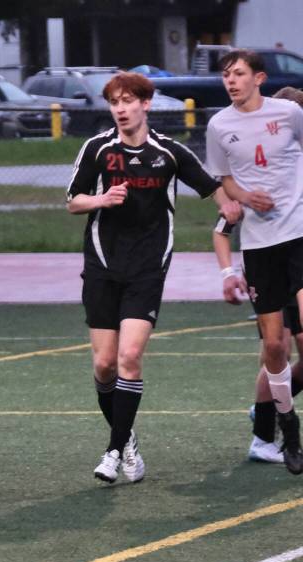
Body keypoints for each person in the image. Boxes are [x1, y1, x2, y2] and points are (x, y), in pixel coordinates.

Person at [67, 72, 238, 484]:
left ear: (146, 103)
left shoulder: (169, 153)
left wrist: (230, 211)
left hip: (148, 267)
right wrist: (102, 199)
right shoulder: (97, 149)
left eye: (128, 101)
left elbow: (214, 188)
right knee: (105, 364)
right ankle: (126, 440)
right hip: (102, 265)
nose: (121, 109)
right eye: (114, 102)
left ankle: (112, 450)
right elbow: (73, 201)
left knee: (129, 358)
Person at [206, 49, 303, 475]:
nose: (231, 80)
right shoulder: (218, 125)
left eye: (238, 73)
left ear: (258, 78)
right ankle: (286, 430)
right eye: (226, 75)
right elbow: (224, 182)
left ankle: (269, 426)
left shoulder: (288, 113)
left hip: (299, 236)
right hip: (260, 248)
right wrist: (243, 198)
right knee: (274, 347)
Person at [212, 206, 303, 463]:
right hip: (268, 271)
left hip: (298, 266)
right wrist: (228, 272)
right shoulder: (251, 186)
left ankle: (271, 406)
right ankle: (263, 438)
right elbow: (222, 227)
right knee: (278, 347)